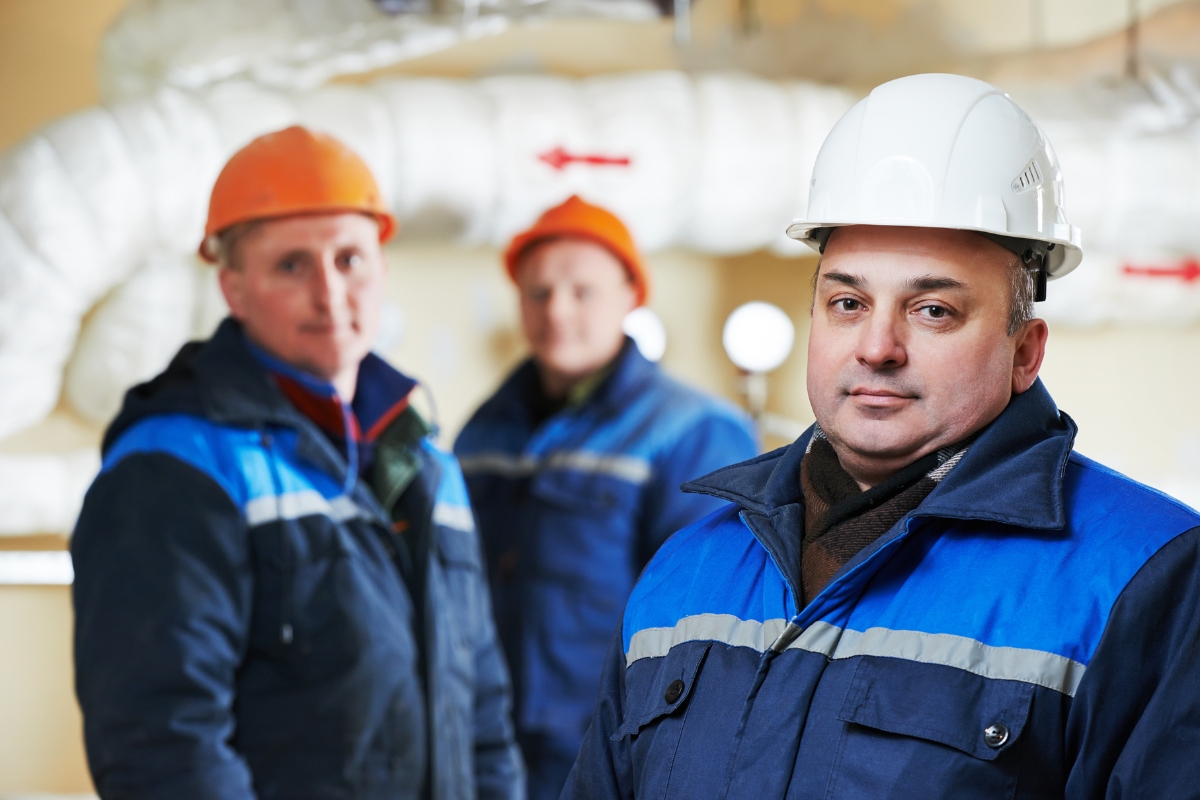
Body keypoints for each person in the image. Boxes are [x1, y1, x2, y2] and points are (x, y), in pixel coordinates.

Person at [563, 74, 1200, 800]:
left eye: (932, 310)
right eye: (846, 302)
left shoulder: (1149, 578)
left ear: (1025, 350)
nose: (876, 346)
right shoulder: (686, 572)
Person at [71, 126, 523, 800]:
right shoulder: (173, 466)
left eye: (350, 259)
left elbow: (483, 715)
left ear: (382, 269)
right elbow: (162, 746)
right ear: (233, 287)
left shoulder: (426, 459)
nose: (330, 293)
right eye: (291, 265)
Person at [454, 195, 758, 800]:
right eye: (537, 292)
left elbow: (706, 634)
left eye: (581, 291)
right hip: (481, 746)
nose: (557, 311)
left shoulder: (694, 432)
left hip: (604, 754)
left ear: (630, 295)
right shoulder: (483, 429)